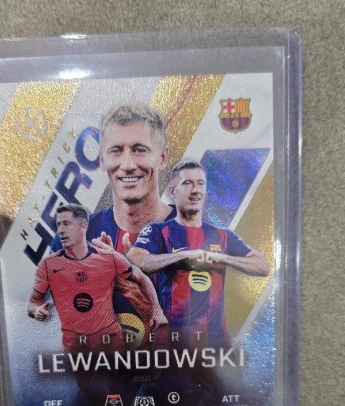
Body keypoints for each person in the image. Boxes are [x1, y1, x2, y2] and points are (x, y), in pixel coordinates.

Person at [50, 103, 177, 343]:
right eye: (116, 151)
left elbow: (207, 340)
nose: (128, 165)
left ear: (162, 157)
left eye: (140, 150)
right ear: (102, 159)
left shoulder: (198, 237)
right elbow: (70, 344)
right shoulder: (71, 242)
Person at [126, 158, 270, 349]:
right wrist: (182, 256)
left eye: (200, 184)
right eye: (187, 183)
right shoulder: (158, 231)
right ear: (173, 191)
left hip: (216, 345)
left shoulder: (222, 235)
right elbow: (135, 259)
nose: (195, 190)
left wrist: (221, 258)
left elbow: (262, 267)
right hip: (172, 343)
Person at [28, 204, 167, 354]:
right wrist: (36, 311)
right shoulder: (49, 266)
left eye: (67, 224)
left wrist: (156, 310)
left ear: (83, 228)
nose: (62, 230)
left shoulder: (106, 259)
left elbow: (141, 279)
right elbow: (34, 303)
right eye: (59, 225)